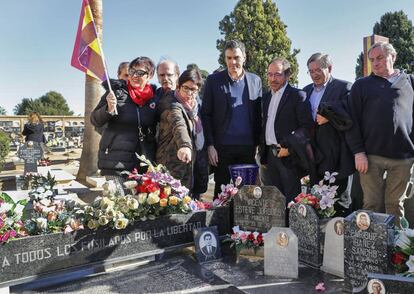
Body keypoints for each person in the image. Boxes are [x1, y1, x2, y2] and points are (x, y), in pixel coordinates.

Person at [346, 42, 414, 221]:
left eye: (380, 58)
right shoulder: (361, 85)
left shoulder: (410, 82)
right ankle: (369, 245)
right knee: (371, 203)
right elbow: (351, 122)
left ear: (393, 57)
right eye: (372, 60)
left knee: (395, 204)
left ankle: (396, 247)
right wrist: (358, 152)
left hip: (403, 157)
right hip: (370, 156)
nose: (375, 63)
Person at [201, 40, 262, 197]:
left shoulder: (255, 81)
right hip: (222, 148)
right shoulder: (214, 81)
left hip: (248, 149)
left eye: (236, 57)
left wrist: (258, 145)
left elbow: (258, 115)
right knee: (221, 194)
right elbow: (206, 114)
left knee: (246, 195)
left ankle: (242, 223)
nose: (232, 62)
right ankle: (221, 222)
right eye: (228, 58)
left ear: (244, 57)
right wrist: (210, 145)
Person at [91, 56, 159, 190]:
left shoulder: (154, 98)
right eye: (132, 71)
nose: (134, 76)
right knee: (118, 206)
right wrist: (108, 109)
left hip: (142, 165)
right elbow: (95, 120)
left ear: (150, 75)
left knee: (139, 208)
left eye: (140, 73)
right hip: (115, 164)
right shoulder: (116, 92)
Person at [303, 53, 355, 215]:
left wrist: (329, 117)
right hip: (315, 157)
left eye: (318, 69)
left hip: (337, 157)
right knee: (317, 202)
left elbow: (351, 116)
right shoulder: (306, 91)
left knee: (339, 204)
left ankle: (340, 237)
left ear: (330, 68)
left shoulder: (344, 87)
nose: (314, 74)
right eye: (310, 71)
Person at [259, 57, 314, 202]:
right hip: (269, 156)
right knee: (272, 200)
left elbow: (307, 128)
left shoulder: (298, 96)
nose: (272, 78)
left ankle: (291, 225)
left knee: (290, 201)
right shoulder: (265, 98)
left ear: (287, 75)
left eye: (277, 74)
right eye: (270, 74)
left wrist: (289, 148)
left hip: (289, 156)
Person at [156, 68, 204, 190]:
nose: (189, 93)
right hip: (170, 167)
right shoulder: (171, 103)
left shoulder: (195, 108)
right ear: (178, 86)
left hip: (187, 167)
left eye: (193, 90)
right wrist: (185, 146)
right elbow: (179, 124)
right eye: (186, 88)